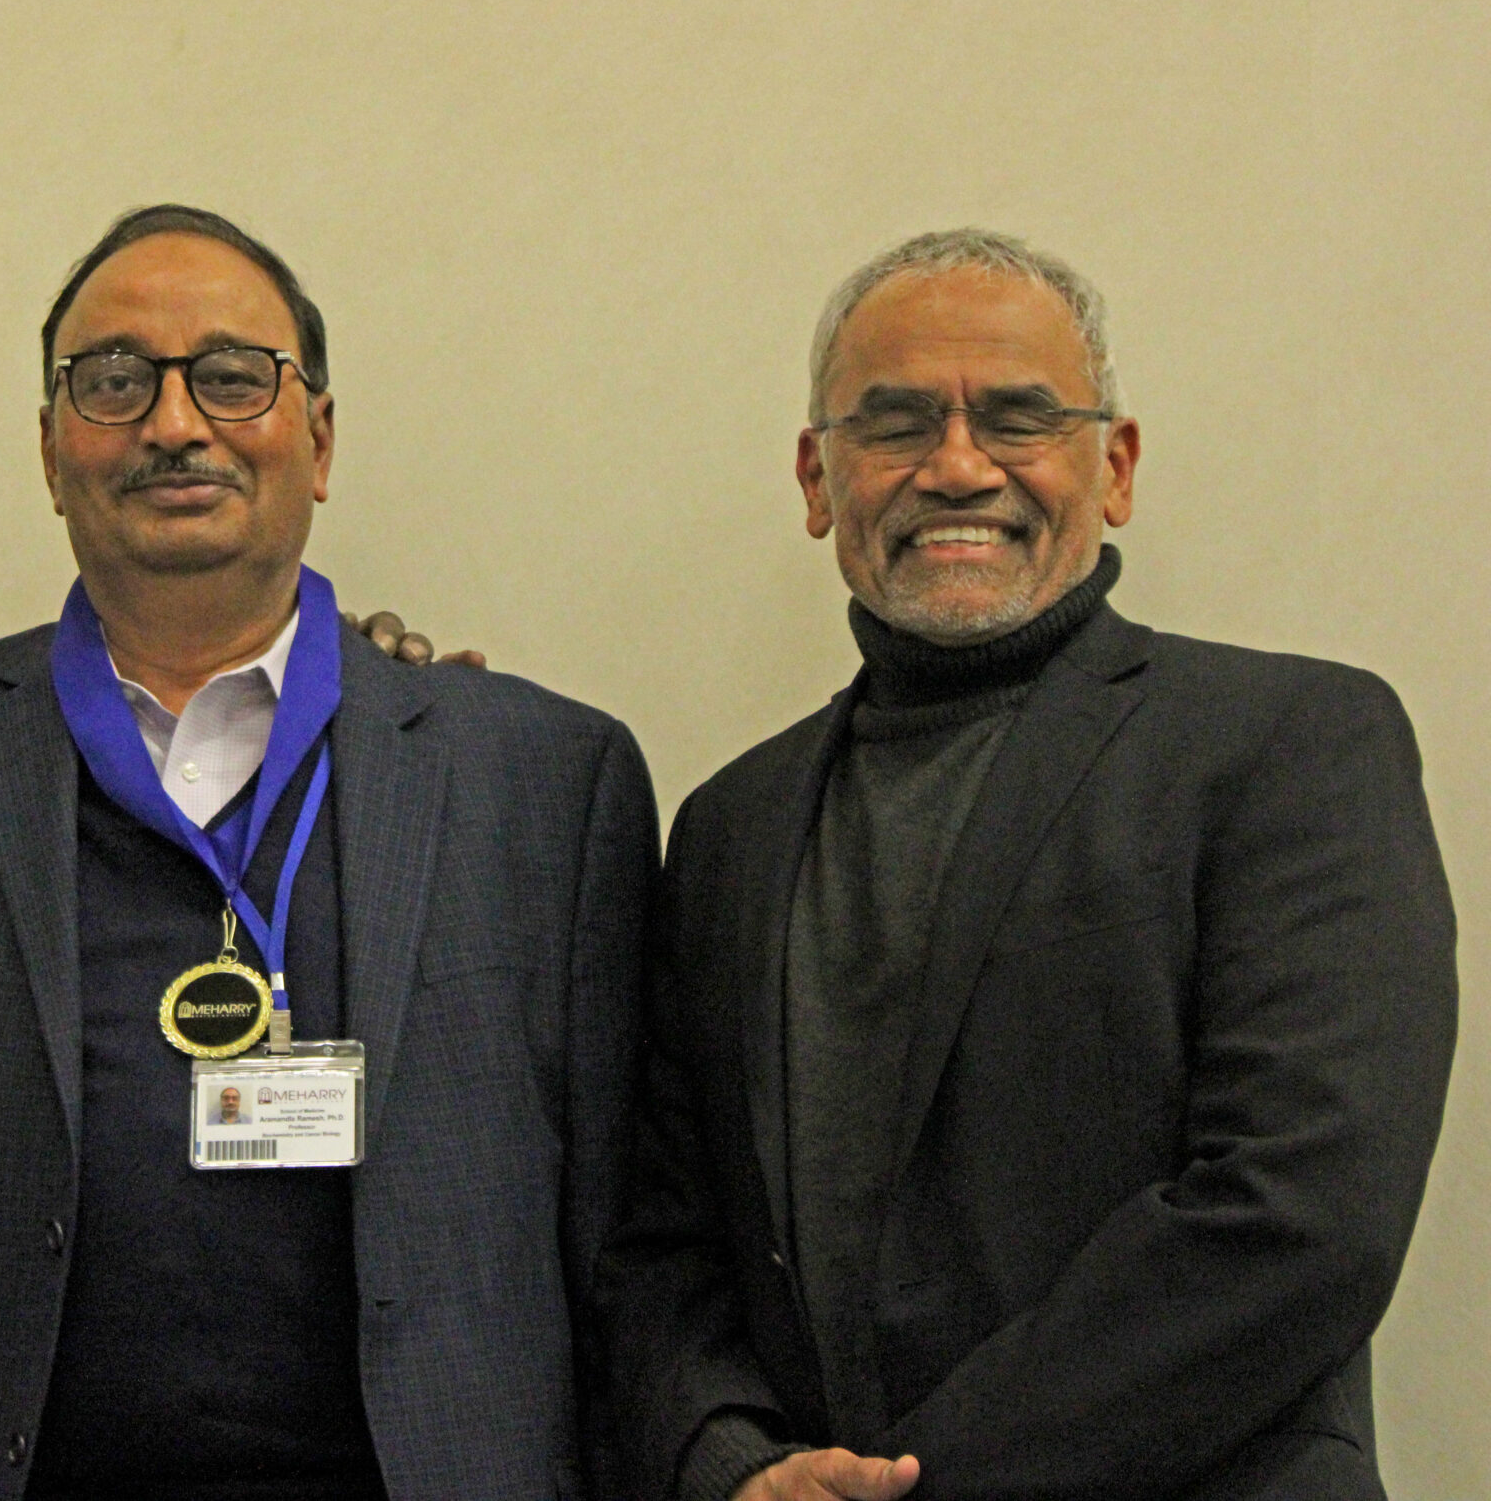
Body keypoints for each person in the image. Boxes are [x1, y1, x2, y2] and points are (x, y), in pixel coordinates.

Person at [0, 205, 656, 1499]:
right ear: (47, 448)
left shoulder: (546, 779)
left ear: (318, 436)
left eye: (234, 375)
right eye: (114, 379)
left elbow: (617, 1246)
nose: (174, 422)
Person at [603, 229, 1458, 1501]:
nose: (956, 467)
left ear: (1111, 466)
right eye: (893, 423)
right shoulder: (730, 824)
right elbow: (668, 1242)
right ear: (815, 477)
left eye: (1018, 417)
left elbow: (1299, 1219)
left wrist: (911, 1487)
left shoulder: (1290, 746)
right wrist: (731, 1460)